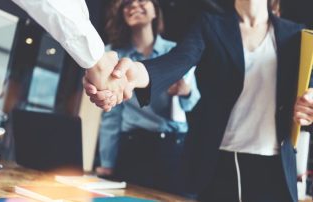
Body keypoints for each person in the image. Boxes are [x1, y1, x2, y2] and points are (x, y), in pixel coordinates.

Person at [84, 0, 313, 201]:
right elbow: (178, 60)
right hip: (217, 163)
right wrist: (137, 73)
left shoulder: (295, 34)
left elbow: (306, 92)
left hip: (273, 166)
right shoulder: (210, 25)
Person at [96, 0, 200, 194]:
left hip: (173, 147)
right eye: (127, 3)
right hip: (133, 145)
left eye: (142, 0)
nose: (135, 5)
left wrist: (186, 91)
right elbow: (111, 114)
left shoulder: (176, 52)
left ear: (155, 12)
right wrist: (107, 161)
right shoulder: (114, 56)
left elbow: (191, 104)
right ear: (122, 15)